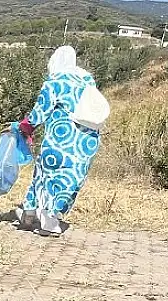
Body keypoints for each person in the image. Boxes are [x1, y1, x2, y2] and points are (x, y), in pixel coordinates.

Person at [14, 45, 102, 237]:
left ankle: (43, 219)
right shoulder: (88, 80)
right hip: (85, 143)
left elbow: (40, 112)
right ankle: (40, 215)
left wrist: (25, 127)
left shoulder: (54, 81)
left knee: (46, 176)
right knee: (69, 181)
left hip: (59, 140)